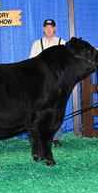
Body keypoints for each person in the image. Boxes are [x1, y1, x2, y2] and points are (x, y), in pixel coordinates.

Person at [29, 19, 66, 147]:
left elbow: (67, 66)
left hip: (58, 83)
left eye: (51, 27)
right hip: (41, 83)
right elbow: (31, 65)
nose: (49, 29)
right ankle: (41, 136)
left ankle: (56, 137)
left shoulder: (62, 44)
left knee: (57, 109)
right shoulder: (36, 44)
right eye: (46, 27)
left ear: (55, 29)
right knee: (40, 110)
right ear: (43, 29)